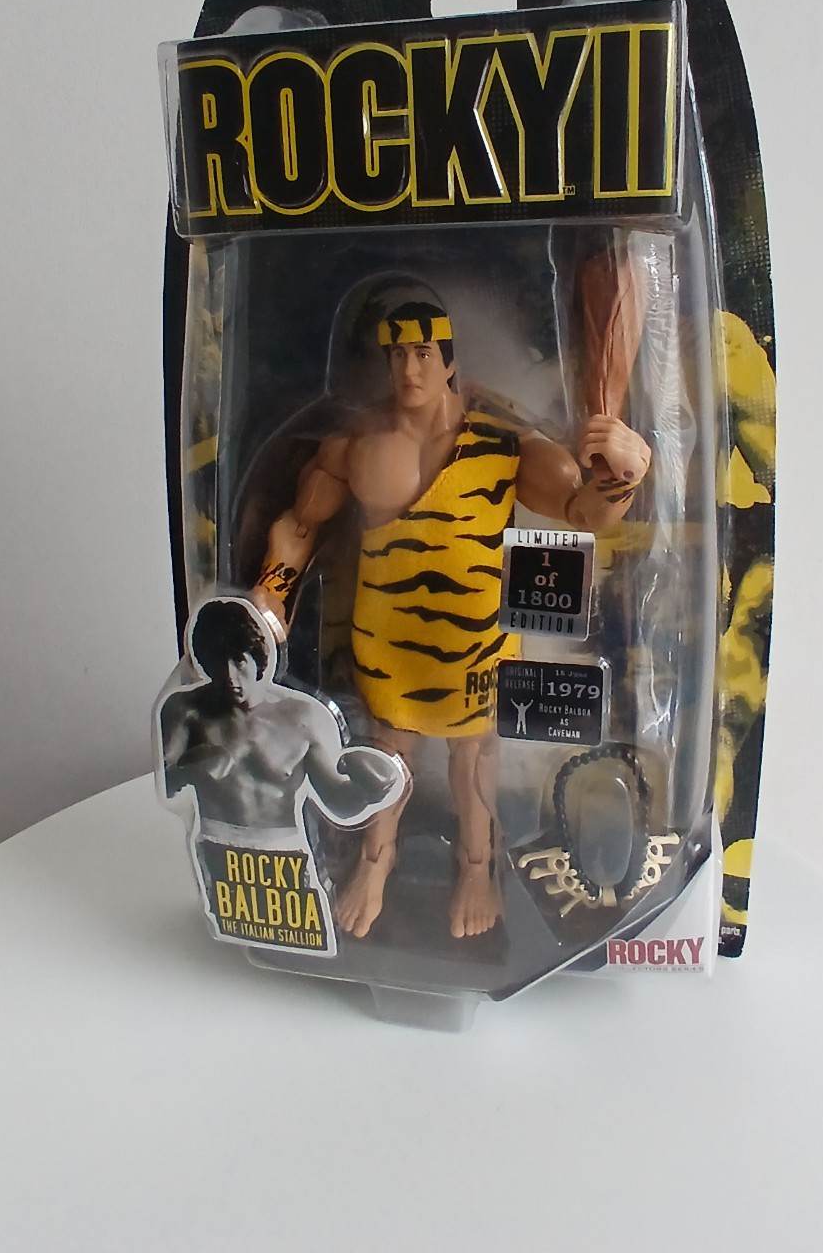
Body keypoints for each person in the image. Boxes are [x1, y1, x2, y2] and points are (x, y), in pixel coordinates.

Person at [251, 300, 650, 942]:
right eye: (398, 355)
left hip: (477, 645)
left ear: (448, 361)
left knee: (474, 764)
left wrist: (623, 477)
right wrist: (270, 595)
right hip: (388, 644)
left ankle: (477, 868)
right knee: (388, 757)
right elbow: (300, 526)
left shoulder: (505, 445)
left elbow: (582, 513)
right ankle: (375, 861)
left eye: (423, 354)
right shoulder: (355, 447)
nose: (410, 370)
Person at [158, 596, 406, 953]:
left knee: (303, 949)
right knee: (235, 950)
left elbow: (337, 802)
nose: (230, 677)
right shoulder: (187, 711)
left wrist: (371, 791)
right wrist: (194, 767)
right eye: (217, 662)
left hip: (286, 856)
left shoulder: (303, 716)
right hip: (219, 848)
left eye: (238, 661)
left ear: (258, 657)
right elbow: (166, 787)